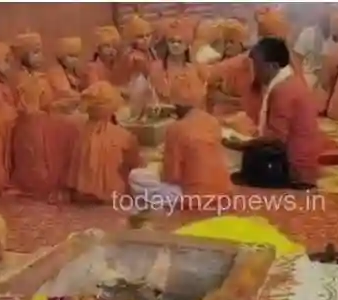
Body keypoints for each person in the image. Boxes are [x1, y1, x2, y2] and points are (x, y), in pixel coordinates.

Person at [223, 37, 325, 189]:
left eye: (257, 66)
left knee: (228, 154)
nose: (255, 71)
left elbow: (276, 140)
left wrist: (242, 144)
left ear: (272, 66)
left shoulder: (283, 90)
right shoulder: (289, 82)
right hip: (298, 164)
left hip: (293, 170)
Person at [129, 73, 232, 208]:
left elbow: (171, 176)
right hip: (222, 189)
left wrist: (160, 165)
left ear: (176, 105)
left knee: (135, 177)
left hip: (192, 195)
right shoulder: (212, 121)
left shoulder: (176, 129)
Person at [9, 31, 80, 202]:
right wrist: (57, 108)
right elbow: (31, 112)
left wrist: (65, 103)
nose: (40, 57)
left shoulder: (40, 77)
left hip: (45, 121)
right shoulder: (22, 80)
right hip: (32, 128)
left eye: (40, 52)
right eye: (35, 53)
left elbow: (50, 100)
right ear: (23, 56)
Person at [66, 81, 142, 203]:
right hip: (113, 199)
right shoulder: (124, 137)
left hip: (80, 199)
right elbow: (136, 168)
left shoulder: (75, 133)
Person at [148, 20, 208, 106]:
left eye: (179, 42)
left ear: (187, 45)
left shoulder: (197, 68)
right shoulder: (157, 68)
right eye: (172, 41)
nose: (175, 45)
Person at [120, 14, 155, 82]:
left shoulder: (151, 51)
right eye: (140, 37)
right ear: (132, 38)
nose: (145, 39)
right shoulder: (131, 57)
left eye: (148, 35)